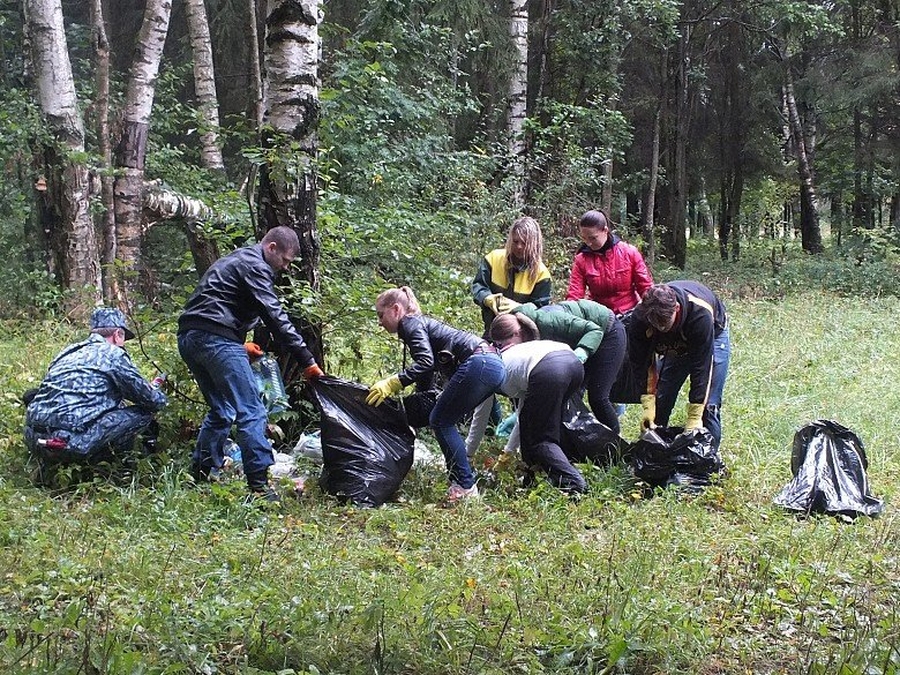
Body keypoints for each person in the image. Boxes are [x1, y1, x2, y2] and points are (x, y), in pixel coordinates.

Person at [177, 226, 325, 500]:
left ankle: (199, 474)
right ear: (272, 248)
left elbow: (215, 303)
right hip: (214, 338)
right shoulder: (255, 265)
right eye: (285, 261)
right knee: (252, 411)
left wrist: (237, 342)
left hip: (190, 338)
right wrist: (307, 360)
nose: (285, 268)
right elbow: (275, 316)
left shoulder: (236, 259)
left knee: (222, 409)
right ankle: (259, 488)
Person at [367, 286, 506, 502]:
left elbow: (425, 362)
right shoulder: (417, 324)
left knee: (441, 421)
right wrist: (423, 398)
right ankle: (460, 482)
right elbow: (428, 369)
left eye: (380, 315)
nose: (379, 322)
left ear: (395, 309)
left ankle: (465, 487)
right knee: (442, 419)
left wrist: (394, 382)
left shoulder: (410, 324)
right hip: (492, 363)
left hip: (480, 363)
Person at [24, 307, 167, 476]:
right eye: (123, 339)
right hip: (70, 443)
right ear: (117, 335)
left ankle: (48, 469)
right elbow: (152, 400)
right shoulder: (114, 354)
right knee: (144, 412)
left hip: (33, 438)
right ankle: (120, 471)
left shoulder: (67, 353)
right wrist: (156, 391)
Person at [489, 313, 587, 494]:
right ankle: (533, 479)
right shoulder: (518, 354)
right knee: (541, 427)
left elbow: (480, 420)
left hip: (550, 369)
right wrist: (508, 454)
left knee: (539, 438)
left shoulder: (489, 368)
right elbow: (522, 418)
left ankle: (574, 483)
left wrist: (468, 455)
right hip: (573, 364)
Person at [471, 215, 551, 427]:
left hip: (521, 336)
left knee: (520, 382)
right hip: (493, 329)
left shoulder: (541, 273)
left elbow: (542, 307)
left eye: (523, 243)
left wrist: (518, 309)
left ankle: (520, 425)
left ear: (533, 244)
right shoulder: (494, 258)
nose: (518, 246)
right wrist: (487, 299)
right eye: (515, 241)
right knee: (482, 371)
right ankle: (491, 423)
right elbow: (478, 286)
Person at [629, 281, 730, 448]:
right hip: (676, 342)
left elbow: (702, 367)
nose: (661, 329)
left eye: (664, 324)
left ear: (676, 308)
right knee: (663, 394)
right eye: (656, 325)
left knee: (709, 405)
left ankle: (709, 459)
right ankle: (656, 450)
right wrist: (647, 403)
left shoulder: (700, 314)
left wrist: (694, 416)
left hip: (713, 333)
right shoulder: (641, 316)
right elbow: (641, 362)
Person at [566, 209, 653, 315]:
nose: (588, 243)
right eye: (584, 238)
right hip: (599, 315)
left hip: (630, 313)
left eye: (593, 238)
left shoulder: (629, 252)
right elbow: (575, 294)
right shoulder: (581, 260)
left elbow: (645, 288)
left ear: (605, 230)